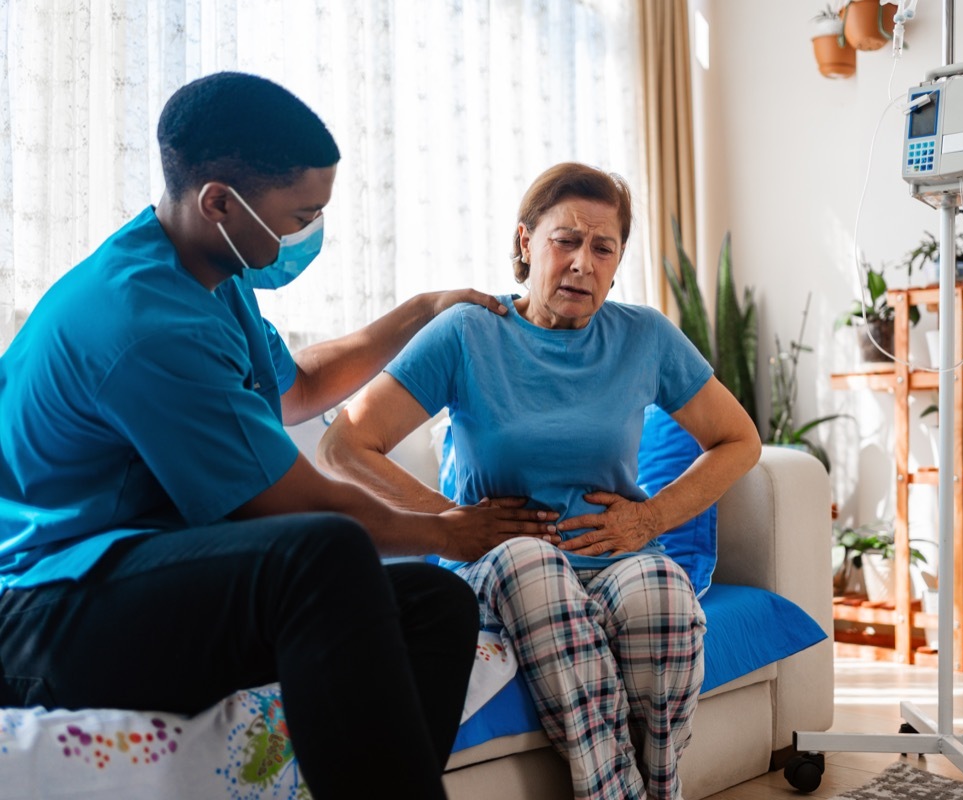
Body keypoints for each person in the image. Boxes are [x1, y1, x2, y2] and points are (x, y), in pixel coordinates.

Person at [0, 72, 560, 800]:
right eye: (299, 217)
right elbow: (290, 509)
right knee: (319, 553)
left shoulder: (210, 269)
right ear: (221, 202)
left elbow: (293, 387)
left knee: (435, 605)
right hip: (45, 610)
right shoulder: (142, 323)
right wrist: (450, 531)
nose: (309, 233)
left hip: (129, 572)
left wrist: (421, 310)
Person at [318, 162, 762, 800]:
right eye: (566, 240)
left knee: (664, 594)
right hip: (502, 563)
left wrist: (650, 519)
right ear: (527, 243)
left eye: (603, 247)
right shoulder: (471, 330)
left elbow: (739, 439)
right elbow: (344, 444)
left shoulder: (646, 337)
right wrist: (448, 522)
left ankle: (661, 787)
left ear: (617, 261)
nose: (584, 262)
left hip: (616, 556)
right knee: (535, 566)